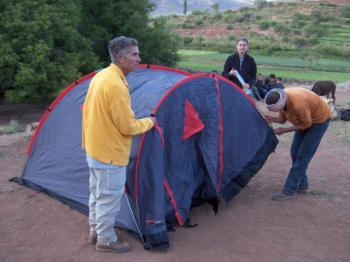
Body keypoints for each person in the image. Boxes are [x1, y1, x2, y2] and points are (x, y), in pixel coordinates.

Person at [82, 36, 155, 253]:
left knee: (97, 193)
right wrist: (150, 122)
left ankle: (96, 231)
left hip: (95, 149)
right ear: (121, 58)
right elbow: (127, 127)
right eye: (134, 54)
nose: (138, 59)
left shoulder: (101, 76)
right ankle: (106, 240)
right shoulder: (115, 85)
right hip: (110, 154)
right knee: (109, 198)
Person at [264, 88, 330, 200]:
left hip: (318, 121)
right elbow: (282, 119)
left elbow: (307, 124)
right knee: (294, 152)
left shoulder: (299, 104)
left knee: (302, 156)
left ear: (283, 102)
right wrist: (272, 119)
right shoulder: (280, 97)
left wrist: (284, 130)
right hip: (305, 121)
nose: (281, 110)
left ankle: (289, 190)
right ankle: (302, 185)